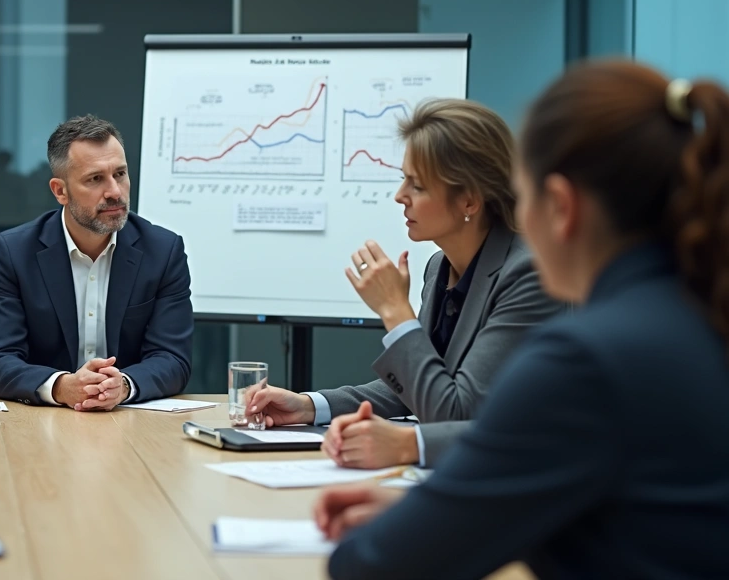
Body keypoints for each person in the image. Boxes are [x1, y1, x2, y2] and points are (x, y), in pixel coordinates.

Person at [319, 60, 729, 579]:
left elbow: (371, 565)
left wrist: (447, 512)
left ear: (560, 206)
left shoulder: (587, 357)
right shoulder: (696, 313)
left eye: (523, 192)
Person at [249, 99, 563, 469]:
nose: (400, 196)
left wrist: (395, 312)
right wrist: (310, 405)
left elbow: (454, 412)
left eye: (417, 185)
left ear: (469, 199)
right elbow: (419, 387)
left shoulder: (528, 275)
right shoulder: (439, 266)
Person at [0, 115, 193, 408]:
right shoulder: (13, 252)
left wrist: (123, 386)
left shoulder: (163, 251)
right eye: (95, 179)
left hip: (131, 421)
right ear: (60, 191)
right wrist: (62, 386)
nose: (115, 191)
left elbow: (173, 359)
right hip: (40, 426)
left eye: (120, 174)